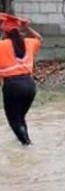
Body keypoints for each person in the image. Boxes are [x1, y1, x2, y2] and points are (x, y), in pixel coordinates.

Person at [0, 18, 41, 146]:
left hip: (13, 86)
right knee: (20, 118)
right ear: (19, 31)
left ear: (4, 33)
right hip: (30, 85)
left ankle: (27, 145)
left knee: (14, 120)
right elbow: (39, 38)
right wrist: (27, 27)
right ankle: (23, 141)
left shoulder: (2, 46)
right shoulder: (28, 42)